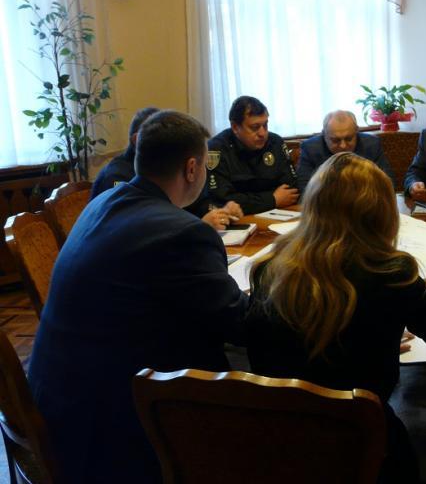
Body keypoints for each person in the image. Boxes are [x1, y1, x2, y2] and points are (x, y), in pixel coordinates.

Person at [246, 153, 426, 483]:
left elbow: (277, 351)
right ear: (381, 213)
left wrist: (379, 334)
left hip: (280, 441)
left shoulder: (268, 270)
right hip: (364, 445)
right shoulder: (392, 275)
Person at [28, 110, 249, 483]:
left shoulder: (103, 202)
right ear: (191, 168)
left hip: (56, 400)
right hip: (108, 430)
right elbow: (238, 322)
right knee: (248, 365)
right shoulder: (181, 233)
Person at [91, 106, 243, 229]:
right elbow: (143, 230)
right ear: (138, 139)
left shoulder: (164, 176)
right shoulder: (117, 178)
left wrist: (220, 211)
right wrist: (199, 227)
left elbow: (195, 203)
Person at [207, 95, 298, 214]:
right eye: (255, 127)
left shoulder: (276, 142)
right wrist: (271, 199)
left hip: (278, 213)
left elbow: (291, 191)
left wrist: (250, 201)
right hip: (238, 219)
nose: (262, 133)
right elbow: (221, 200)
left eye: (265, 125)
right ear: (235, 127)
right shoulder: (216, 149)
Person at [296, 110, 394, 193]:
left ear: (356, 131)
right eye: (335, 140)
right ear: (324, 134)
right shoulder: (310, 149)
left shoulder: (371, 144)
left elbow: (387, 182)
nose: (343, 146)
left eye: (349, 139)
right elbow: (306, 190)